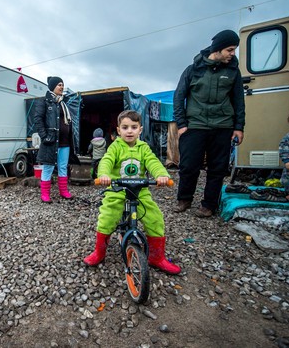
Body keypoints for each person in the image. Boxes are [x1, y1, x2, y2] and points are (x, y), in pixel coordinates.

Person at [83, 110, 181, 274]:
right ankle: (99, 252)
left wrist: (162, 175)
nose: (129, 131)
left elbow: (153, 162)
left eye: (134, 127)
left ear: (140, 130)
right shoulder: (115, 147)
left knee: (154, 217)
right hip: (117, 189)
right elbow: (106, 160)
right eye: (125, 127)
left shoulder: (144, 148)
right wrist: (104, 175)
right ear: (119, 130)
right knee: (107, 217)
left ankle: (156, 257)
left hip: (139, 190)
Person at [173, 29, 245, 217]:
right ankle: (184, 199)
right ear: (218, 49)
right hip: (194, 125)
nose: (232, 54)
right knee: (189, 165)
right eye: (230, 49)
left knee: (218, 168)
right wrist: (181, 124)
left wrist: (239, 127)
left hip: (222, 125)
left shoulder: (233, 72)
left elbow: (239, 100)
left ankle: (209, 205)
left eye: (234, 50)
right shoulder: (193, 69)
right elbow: (178, 97)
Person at [33, 76, 80, 203]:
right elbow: (38, 120)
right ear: (53, 86)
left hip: (65, 142)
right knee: (48, 167)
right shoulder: (44, 101)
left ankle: (64, 191)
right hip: (51, 141)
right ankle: (45, 194)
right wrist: (44, 136)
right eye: (59, 84)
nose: (62, 87)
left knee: (63, 167)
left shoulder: (62, 103)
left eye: (63, 84)